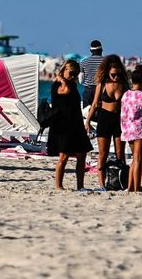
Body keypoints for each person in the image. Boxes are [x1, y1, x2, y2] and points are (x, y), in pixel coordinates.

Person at [46, 60, 93, 190]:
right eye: (71, 73)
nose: (73, 76)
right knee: (64, 156)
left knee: (82, 154)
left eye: (76, 74)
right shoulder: (58, 85)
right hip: (63, 124)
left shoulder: (71, 84)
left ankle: (80, 186)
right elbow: (65, 90)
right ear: (64, 70)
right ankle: (59, 186)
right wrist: (61, 78)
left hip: (75, 124)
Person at [83, 54, 127, 190]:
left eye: (118, 74)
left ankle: (121, 182)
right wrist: (88, 121)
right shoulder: (102, 84)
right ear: (108, 72)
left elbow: (130, 103)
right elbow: (95, 104)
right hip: (104, 119)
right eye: (113, 75)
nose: (116, 77)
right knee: (103, 154)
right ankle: (102, 185)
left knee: (120, 154)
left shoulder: (123, 84)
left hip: (119, 120)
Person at [120, 65, 142, 192]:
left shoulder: (126, 95)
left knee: (134, 159)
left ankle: (130, 186)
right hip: (140, 129)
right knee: (138, 159)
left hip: (127, 129)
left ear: (131, 80)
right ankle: (137, 187)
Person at [79, 40, 103, 108]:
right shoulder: (106, 62)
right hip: (102, 90)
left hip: (88, 90)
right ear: (101, 50)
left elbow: (81, 81)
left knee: (87, 113)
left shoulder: (83, 62)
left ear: (91, 51)